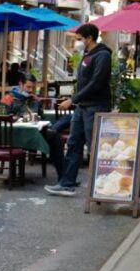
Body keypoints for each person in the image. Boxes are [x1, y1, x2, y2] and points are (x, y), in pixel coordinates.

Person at [46, 23, 112, 197]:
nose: (77, 43)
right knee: (74, 144)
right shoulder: (87, 54)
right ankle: (67, 184)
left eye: (79, 39)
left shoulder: (103, 55)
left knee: (95, 147)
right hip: (82, 107)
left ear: (89, 38)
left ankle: (104, 188)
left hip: (95, 106)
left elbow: (96, 83)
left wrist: (72, 99)